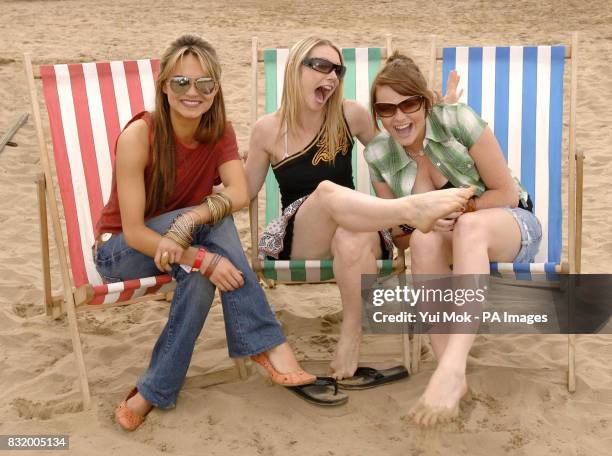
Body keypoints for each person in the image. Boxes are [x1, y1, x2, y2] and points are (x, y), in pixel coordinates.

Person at [94, 35, 318, 431]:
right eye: (181, 82)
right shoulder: (139, 136)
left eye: (204, 84)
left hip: (182, 244)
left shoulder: (219, 133)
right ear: (164, 85)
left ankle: (150, 392)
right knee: (218, 226)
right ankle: (268, 344)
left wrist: (190, 225)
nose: (192, 93)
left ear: (216, 89)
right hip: (122, 252)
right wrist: (202, 255)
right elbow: (132, 232)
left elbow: (238, 191)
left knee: (201, 280)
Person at [245, 37, 474, 381]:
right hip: (302, 236)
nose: (332, 76)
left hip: (357, 229)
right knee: (326, 192)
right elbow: (243, 191)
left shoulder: (350, 115)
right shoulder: (267, 130)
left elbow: (400, 149)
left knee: (353, 233)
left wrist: (438, 117)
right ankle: (409, 211)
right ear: (295, 68)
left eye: (337, 69)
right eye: (321, 66)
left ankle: (351, 333)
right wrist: (215, 178)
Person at [365, 52, 542, 426]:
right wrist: (423, 220)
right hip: (443, 239)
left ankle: (451, 365)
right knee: (424, 242)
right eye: (386, 108)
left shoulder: (458, 121)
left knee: (468, 227)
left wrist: (461, 212)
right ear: (377, 113)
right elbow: (397, 233)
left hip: (510, 225)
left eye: (408, 104)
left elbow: (507, 194)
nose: (398, 117)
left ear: (424, 101)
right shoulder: (378, 153)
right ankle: (452, 378)